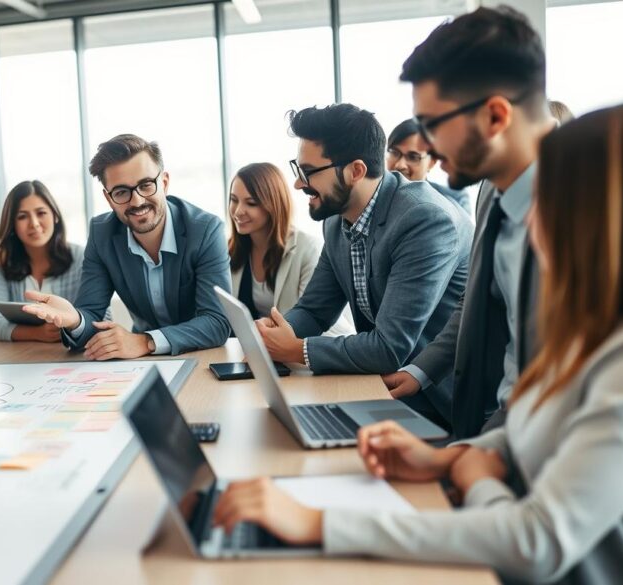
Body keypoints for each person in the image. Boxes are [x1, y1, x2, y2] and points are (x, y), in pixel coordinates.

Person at [211, 102, 623, 585]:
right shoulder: (596, 328)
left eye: (547, 202)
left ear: (611, 217)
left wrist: (319, 524)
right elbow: (542, 426)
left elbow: (535, 542)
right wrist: (455, 457)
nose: (527, 223)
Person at [384, 6, 555, 438]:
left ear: (496, 117)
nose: (424, 145)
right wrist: (421, 372)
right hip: (494, 429)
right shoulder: (492, 189)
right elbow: (479, 299)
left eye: (432, 125)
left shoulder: (588, 208)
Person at [257, 104, 473, 428]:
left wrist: (298, 350)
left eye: (308, 172)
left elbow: (388, 348)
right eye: (297, 170)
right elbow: (315, 311)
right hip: (383, 391)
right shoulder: (336, 221)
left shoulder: (424, 219)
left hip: (444, 405)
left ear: (355, 171)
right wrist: (272, 336)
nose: (298, 185)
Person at [23, 134, 231, 359]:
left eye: (146, 185)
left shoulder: (205, 230)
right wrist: (75, 320)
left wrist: (146, 341)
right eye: (122, 192)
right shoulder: (101, 234)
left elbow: (217, 322)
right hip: (142, 363)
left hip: (202, 356)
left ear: (164, 182)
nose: (137, 201)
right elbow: (92, 314)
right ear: (108, 198)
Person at [0, 180, 87, 343]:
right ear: (12, 225)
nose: (34, 224)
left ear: (55, 215)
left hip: (73, 356)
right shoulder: (3, 261)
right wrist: (37, 333)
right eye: (22, 216)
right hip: (23, 358)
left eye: (41, 213)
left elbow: (100, 317)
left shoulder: (80, 257)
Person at [228, 162, 320, 319]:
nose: (238, 211)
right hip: (250, 343)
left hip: (296, 341)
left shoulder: (308, 249)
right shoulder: (230, 249)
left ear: (273, 205)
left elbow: (315, 318)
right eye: (234, 200)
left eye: (251, 203)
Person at [386, 119, 471, 214]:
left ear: (432, 162)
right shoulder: (370, 193)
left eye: (413, 157)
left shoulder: (455, 201)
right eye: (394, 153)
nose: (400, 165)